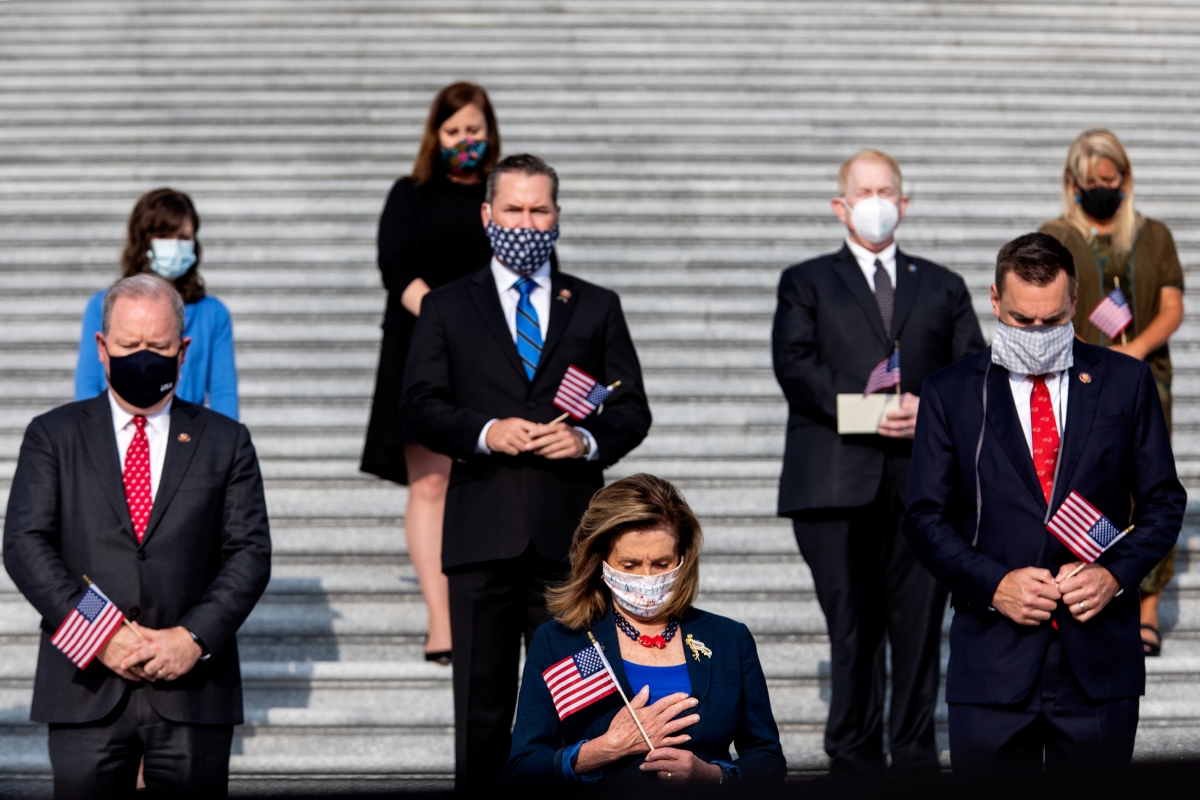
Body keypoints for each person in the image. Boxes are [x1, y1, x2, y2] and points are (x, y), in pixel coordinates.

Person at [402, 153, 652, 783]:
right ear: (488, 215)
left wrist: (586, 441)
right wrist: (486, 431)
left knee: (578, 712)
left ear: (557, 216)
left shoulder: (595, 306)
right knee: (480, 714)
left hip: (567, 542)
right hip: (481, 538)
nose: (526, 220)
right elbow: (419, 405)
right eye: (513, 208)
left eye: (538, 209)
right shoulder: (448, 307)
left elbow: (632, 408)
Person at [903, 233, 1184, 771]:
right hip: (993, 659)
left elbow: (1163, 502)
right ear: (993, 300)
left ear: (1075, 304)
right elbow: (924, 518)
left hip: (1098, 661)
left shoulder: (1125, 380)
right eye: (1020, 320)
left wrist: (1114, 575)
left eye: (1052, 322)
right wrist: (994, 584)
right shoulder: (952, 390)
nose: (1036, 333)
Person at [4, 274, 272, 797]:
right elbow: (25, 543)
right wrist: (99, 633)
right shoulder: (52, 435)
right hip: (86, 688)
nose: (143, 358)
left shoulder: (226, 441)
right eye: (129, 346)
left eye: (158, 346)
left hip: (193, 691)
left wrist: (192, 638)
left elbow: (249, 553)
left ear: (183, 349)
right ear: (102, 348)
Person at [771, 149, 986, 775]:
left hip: (924, 482)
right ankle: (853, 753)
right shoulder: (805, 280)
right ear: (840, 205)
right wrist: (864, 412)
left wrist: (935, 409)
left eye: (886, 189)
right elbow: (795, 364)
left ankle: (914, 751)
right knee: (853, 626)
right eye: (863, 190)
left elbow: (972, 366)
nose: (875, 200)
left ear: (904, 201)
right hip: (835, 482)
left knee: (918, 627)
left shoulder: (941, 284)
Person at [507, 474, 787, 785]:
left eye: (661, 563)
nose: (646, 576)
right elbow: (524, 767)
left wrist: (710, 775)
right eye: (629, 565)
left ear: (682, 559)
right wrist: (605, 749)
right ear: (599, 563)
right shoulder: (558, 640)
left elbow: (768, 758)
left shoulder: (729, 639)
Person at [361, 82, 501, 663]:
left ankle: (483, 608)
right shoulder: (411, 192)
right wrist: (448, 320)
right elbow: (395, 265)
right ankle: (442, 622)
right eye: (452, 131)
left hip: (491, 357)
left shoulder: (505, 197)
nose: (464, 140)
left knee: (485, 482)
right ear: (434, 136)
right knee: (432, 482)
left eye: (473, 128)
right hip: (419, 348)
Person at [1039, 129, 1184, 658]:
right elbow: (1045, 306)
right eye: (1091, 181)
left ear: (1126, 178)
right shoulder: (1055, 235)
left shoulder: (1154, 234)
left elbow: (1172, 305)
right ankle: (1091, 586)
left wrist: (1135, 352)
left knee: (1149, 487)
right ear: (1072, 183)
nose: (1103, 188)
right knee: (1093, 484)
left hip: (1146, 378)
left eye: (1111, 179)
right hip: (1080, 378)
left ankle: (1148, 606)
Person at [76, 188, 238, 420]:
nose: (175, 245)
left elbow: (224, 394)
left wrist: (226, 449)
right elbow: (88, 386)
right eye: (164, 236)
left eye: (183, 237)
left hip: (184, 440)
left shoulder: (212, 313)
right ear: (143, 240)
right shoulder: (102, 305)